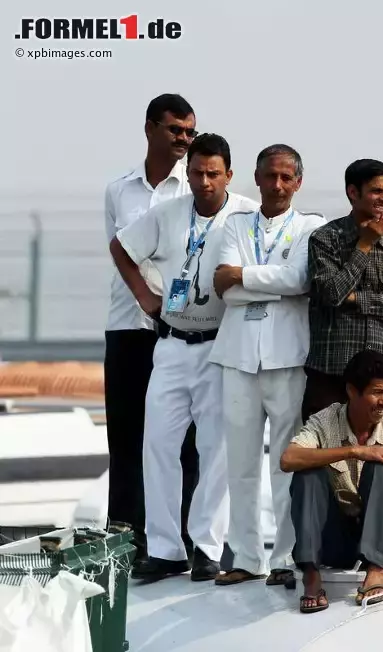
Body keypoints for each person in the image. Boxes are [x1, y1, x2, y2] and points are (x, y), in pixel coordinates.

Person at [109, 133, 259, 582]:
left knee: (215, 449)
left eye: (214, 173)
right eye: (196, 172)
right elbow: (121, 247)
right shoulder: (168, 213)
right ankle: (165, 548)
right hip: (171, 343)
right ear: (187, 173)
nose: (205, 181)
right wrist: (145, 298)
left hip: (219, 345)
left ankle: (207, 549)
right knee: (157, 444)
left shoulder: (247, 214)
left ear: (228, 175)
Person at [208, 144, 326, 586]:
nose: (277, 185)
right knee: (238, 462)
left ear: (297, 182)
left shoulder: (311, 226)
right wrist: (261, 283)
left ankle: (286, 558)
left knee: (286, 462)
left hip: (286, 357)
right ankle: (244, 556)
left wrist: (244, 275)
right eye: (269, 176)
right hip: (238, 355)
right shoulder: (234, 224)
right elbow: (224, 288)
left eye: (286, 177)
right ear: (255, 179)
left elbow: (300, 280)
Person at [102, 93, 201, 562]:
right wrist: (145, 297)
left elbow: (193, 259)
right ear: (150, 129)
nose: (183, 139)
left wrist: (171, 307)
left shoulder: (195, 188)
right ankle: (123, 546)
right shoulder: (119, 190)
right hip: (127, 327)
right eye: (174, 130)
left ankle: (183, 543)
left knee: (182, 444)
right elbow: (120, 251)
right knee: (125, 439)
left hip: (178, 332)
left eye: (189, 132)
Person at [280, 350, 383, 613]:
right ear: (351, 391)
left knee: (380, 468)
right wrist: (354, 451)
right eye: (377, 392)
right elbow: (289, 459)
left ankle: (376, 570)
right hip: (338, 540)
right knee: (308, 472)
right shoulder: (326, 421)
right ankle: (311, 576)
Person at [303, 159, 383, 421]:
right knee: (322, 458)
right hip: (331, 374)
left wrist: (359, 298)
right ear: (353, 192)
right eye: (376, 191)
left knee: (381, 457)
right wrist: (365, 246)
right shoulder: (325, 239)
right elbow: (333, 293)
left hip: (382, 381)